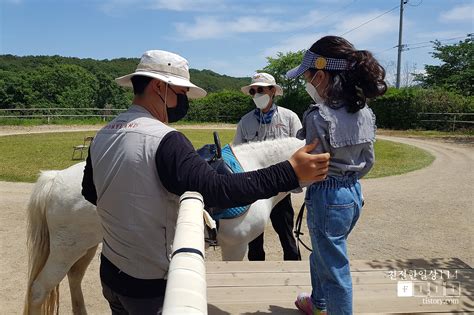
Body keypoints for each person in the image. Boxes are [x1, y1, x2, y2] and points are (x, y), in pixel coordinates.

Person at [81, 49, 330, 315]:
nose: (185, 100)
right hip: (151, 284)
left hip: (111, 274)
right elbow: (217, 190)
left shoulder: (104, 134)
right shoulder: (166, 140)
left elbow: (90, 191)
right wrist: (288, 172)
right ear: (159, 87)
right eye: (181, 92)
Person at [286, 36, 387, 315]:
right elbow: (369, 160)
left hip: (327, 196)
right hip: (353, 194)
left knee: (334, 268)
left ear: (320, 75)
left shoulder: (318, 115)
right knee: (324, 254)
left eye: (307, 76)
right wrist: (349, 179)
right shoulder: (365, 112)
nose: (306, 82)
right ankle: (317, 304)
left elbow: (311, 166)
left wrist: (294, 185)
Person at [234, 72, 302, 261]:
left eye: (261, 90)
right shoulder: (245, 121)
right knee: (254, 241)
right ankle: (257, 276)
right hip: (254, 188)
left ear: (273, 91)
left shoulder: (289, 118)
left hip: (281, 189)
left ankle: (294, 272)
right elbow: (238, 154)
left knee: (287, 236)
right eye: (253, 91)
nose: (256, 94)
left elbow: (300, 149)